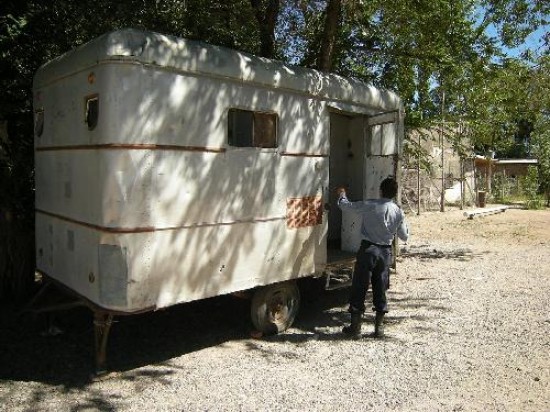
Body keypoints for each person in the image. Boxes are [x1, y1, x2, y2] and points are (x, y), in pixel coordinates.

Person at [336, 176, 409, 338]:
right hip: (385, 253)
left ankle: (355, 328)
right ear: (394, 194)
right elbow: (404, 236)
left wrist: (342, 193)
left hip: (368, 250)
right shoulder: (398, 211)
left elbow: (345, 206)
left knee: (359, 287)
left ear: (381, 190)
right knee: (380, 288)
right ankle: (379, 329)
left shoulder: (370, 205)